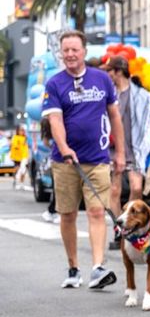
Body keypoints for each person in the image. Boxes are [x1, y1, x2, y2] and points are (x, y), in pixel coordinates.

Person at [42, 30, 125, 290]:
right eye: (65, 50)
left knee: (97, 211)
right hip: (64, 161)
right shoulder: (54, 84)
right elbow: (54, 119)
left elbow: (115, 117)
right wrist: (64, 147)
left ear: (84, 51)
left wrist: (120, 153)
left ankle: (98, 268)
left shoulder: (101, 79)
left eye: (74, 49)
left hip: (98, 158)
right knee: (67, 215)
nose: (69, 54)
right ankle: (73, 268)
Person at [105, 56, 150, 244]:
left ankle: (130, 225)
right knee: (114, 190)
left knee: (136, 187)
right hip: (114, 148)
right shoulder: (109, 94)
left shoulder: (141, 95)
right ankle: (118, 230)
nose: (107, 75)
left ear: (118, 71)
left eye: (109, 71)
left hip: (135, 148)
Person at [10, 125, 29, 190]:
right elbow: (14, 146)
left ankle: (21, 183)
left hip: (24, 156)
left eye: (23, 130)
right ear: (18, 131)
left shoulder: (25, 138)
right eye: (21, 130)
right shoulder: (15, 137)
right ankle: (15, 182)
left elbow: (26, 147)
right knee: (17, 169)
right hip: (17, 157)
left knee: (23, 170)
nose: (22, 131)